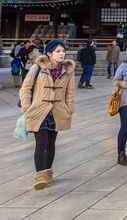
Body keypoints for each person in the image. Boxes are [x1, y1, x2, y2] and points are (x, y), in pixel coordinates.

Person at [19, 40, 75, 190]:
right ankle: (40, 176)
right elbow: (25, 88)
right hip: (39, 111)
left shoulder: (68, 70)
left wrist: (69, 109)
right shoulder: (38, 67)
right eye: (58, 51)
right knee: (41, 142)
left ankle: (48, 173)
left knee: (51, 144)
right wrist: (27, 108)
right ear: (49, 53)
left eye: (63, 51)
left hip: (57, 112)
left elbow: (70, 92)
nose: (62, 54)